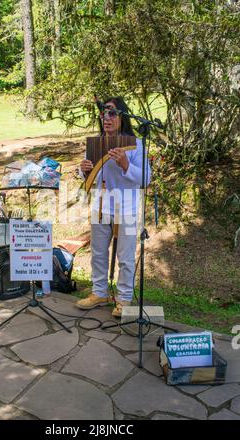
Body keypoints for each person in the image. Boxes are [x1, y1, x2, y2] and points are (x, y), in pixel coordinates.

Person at [75, 97, 151, 318]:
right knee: (98, 253)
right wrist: (83, 169)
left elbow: (146, 179)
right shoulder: (96, 143)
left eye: (111, 113)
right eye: (103, 114)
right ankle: (99, 293)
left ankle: (124, 299)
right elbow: (88, 177)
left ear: (122, 117)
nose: (106, 118)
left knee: (125, 257)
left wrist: (126, 164)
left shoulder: (136, 145)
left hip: (126, 208)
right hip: (101, 205)